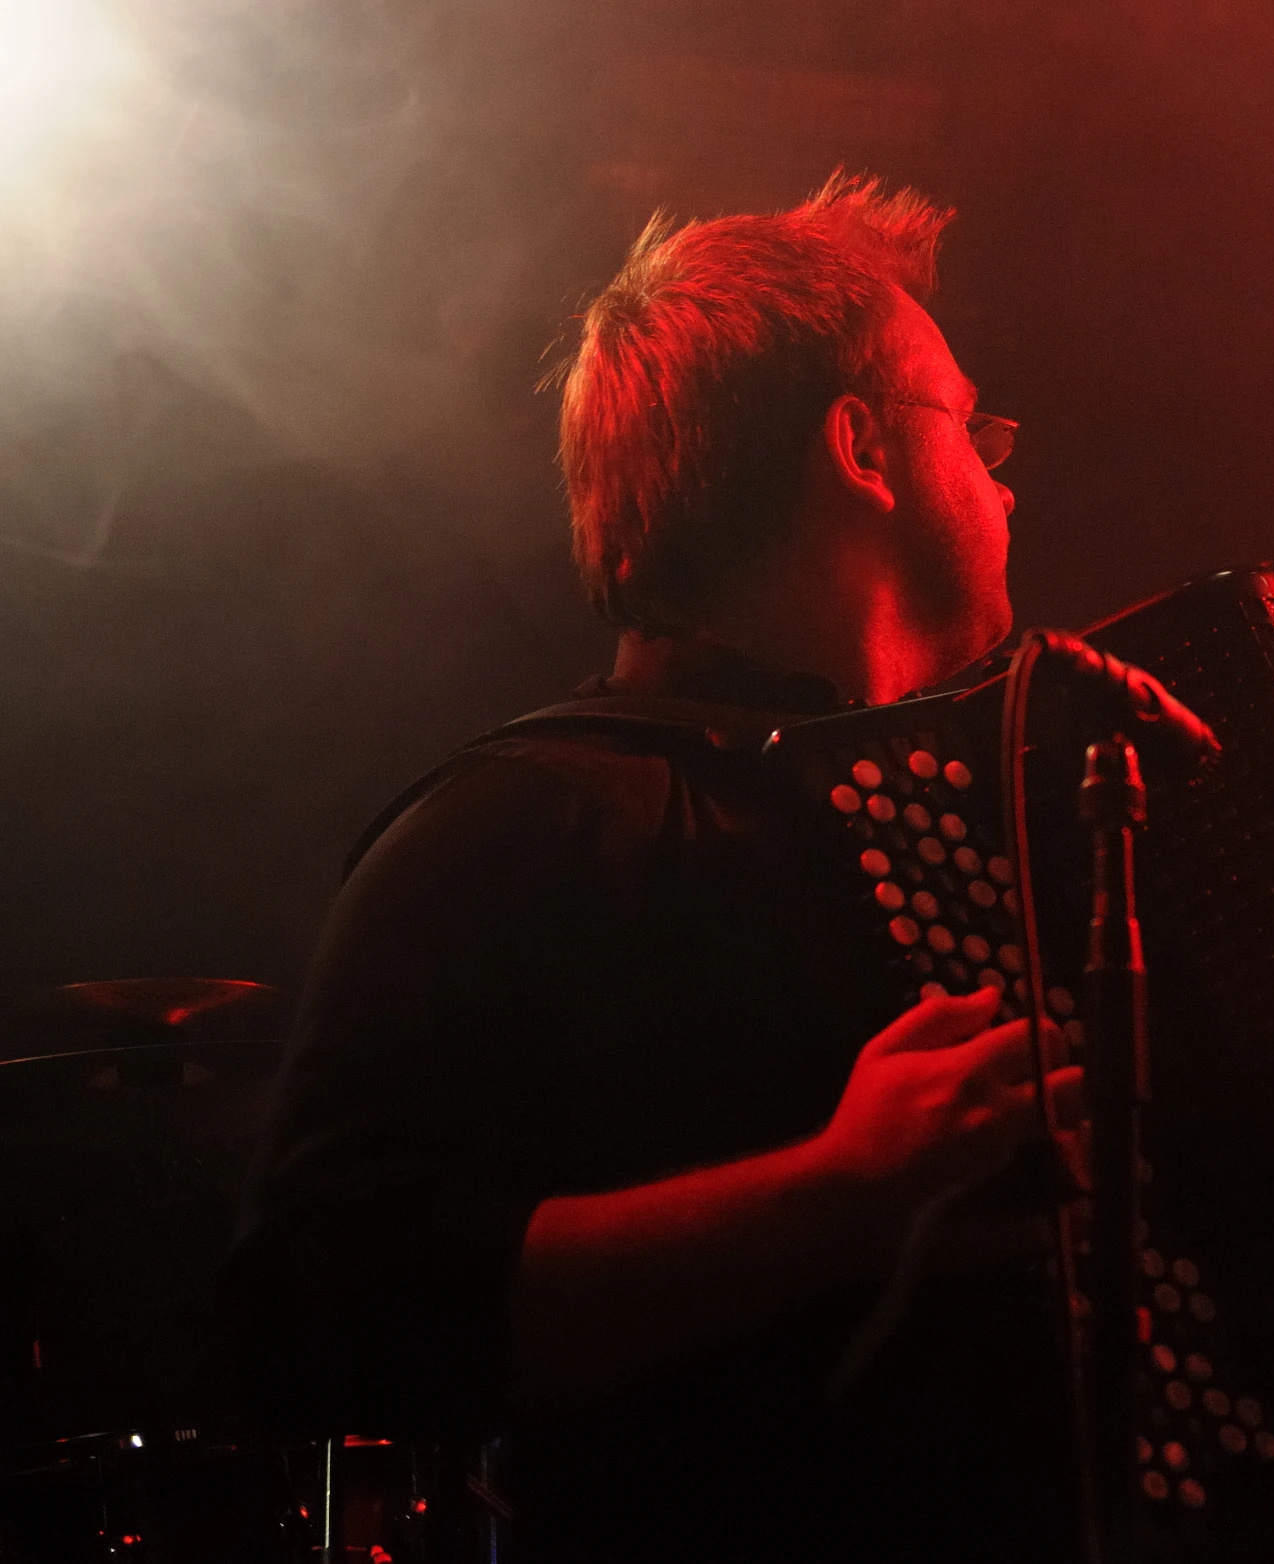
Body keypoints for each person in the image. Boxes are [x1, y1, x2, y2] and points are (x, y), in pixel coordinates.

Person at [225, 174, 1086, 1561]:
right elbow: (314, 1328)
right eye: (969, 427)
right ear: (862, 446)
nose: (999, 476)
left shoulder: (1046, 807)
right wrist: (837, 1194)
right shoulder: (516, 827)